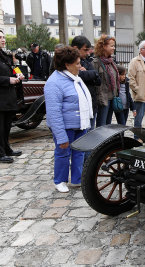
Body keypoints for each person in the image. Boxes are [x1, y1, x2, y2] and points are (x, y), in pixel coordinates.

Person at [44, 46, 93, 192]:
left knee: (79, 153)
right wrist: (60, 135)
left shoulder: (75, 79)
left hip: (80, 124)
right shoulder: (54, 82)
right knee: (63, 153)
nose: (80, 66)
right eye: (77, 63)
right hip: (65, 126)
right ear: (67, 65)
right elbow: (53, 112)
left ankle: (77, 179)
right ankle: (60, 180)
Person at [0, 30, 24, 164]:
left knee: (7, 125)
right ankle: (0, 152)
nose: (3, 40)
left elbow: (13, 68)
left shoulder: (6, 55)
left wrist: (18, 75)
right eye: (0, 38)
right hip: (1, 98)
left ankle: (7, 148)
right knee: (0, 127)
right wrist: (7, 80)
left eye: (3, 37)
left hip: (9, 97)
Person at [71, 36, 101, 130]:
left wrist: (87, 74)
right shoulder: (67, 62)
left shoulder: (87, 61)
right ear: (76, 48)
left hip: (91, 103)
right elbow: (77, 76)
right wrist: (88, 74)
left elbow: (98, 79)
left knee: (90, 133)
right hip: (78, 107)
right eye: (85, 50)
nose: (88, 53)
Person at [92, 34, 119, 127]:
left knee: (108, 125)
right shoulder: (96, 63)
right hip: (102, 99)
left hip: (112, 97)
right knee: (101, 125)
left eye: (114, 45)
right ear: (103, 46)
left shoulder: (112, 62)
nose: (113, 48)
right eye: (111, 46)